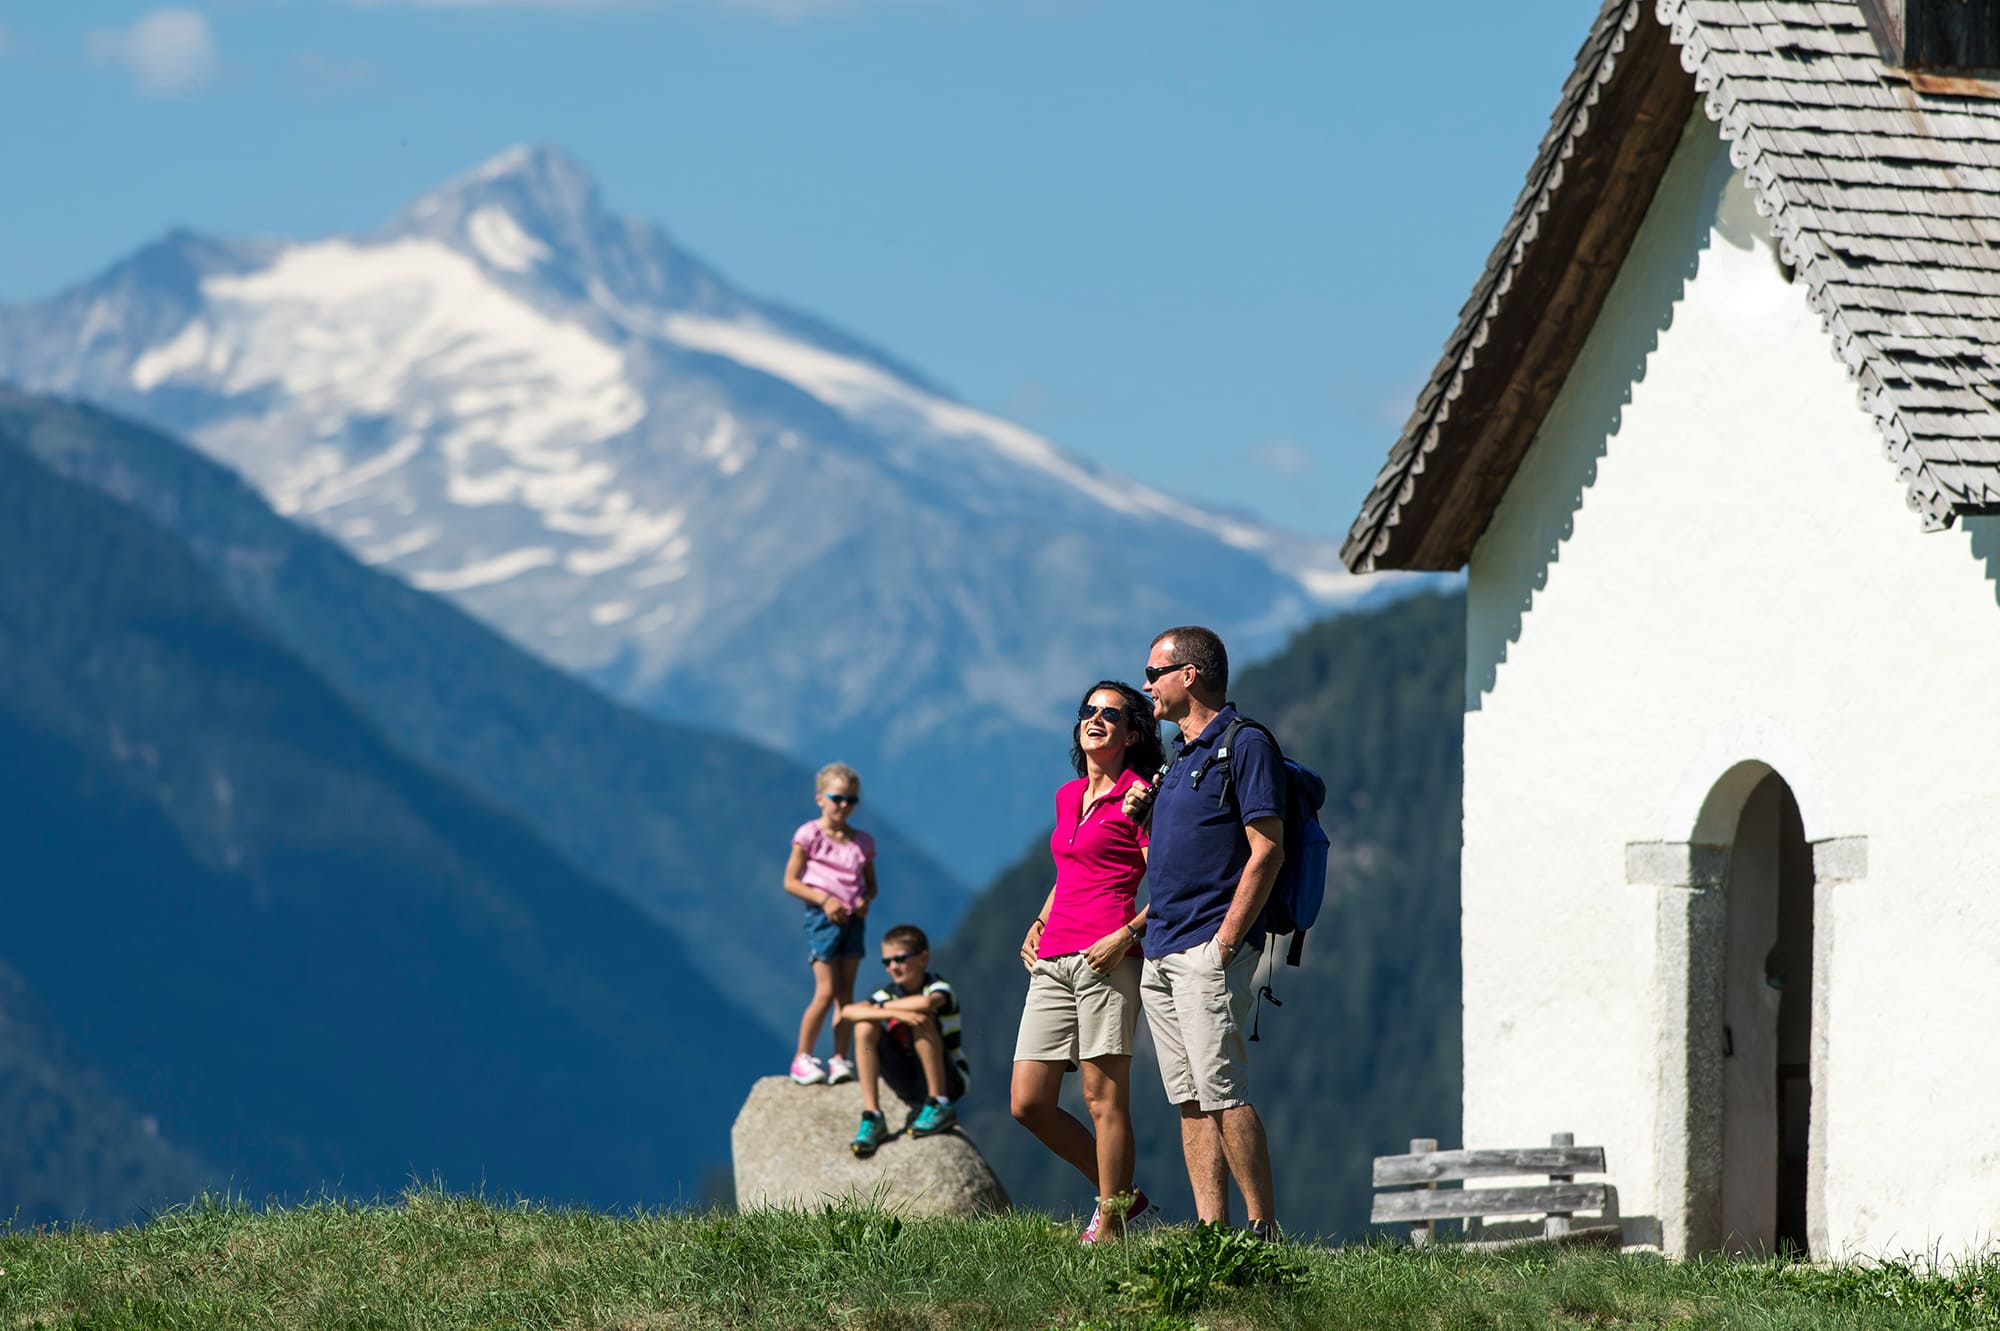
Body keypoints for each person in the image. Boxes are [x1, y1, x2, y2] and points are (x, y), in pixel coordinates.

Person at [1124, 626, 1284, 1239]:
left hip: (1204, 949)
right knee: (1189, 1098)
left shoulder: (1245, 745)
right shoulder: (1181, 756)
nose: (1146, 687)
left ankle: (1261, 1229)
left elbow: (1266, 849)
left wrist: (1223, 944)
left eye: (1153, 673)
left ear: (1188, 675)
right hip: (1162, 950)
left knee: (1224, 1091)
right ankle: (1212, 1233)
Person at [1011, 680, 1165, 1243]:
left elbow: (1170, 885)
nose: (1096, 718)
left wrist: (1124, 935)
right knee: (1028, 1102)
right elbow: (1069, 870)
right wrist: (1039, 919)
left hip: (1107, 957)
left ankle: (1112, 1223)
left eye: (1111, 713)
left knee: (1103, 1098)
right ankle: (1122, 1194)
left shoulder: (1141, 796)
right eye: (1089, 710)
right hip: (1052, 955)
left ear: (1131, 733)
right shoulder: (1067, 794)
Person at [840, 924, 971, 1156]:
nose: (892, 967)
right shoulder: (889, 993)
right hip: (907, 1078)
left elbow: (925, 1004)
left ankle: (939, 1101)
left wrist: (882, 1008)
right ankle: (873, 1115)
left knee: (920, 1018)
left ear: (923, 958)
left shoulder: (938, 986)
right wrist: (895, 1012)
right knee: (863, 1026)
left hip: (950, 1078)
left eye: (900, 959)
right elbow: (849, 1012)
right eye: (886, 962)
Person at [783, 762, 877, 1086]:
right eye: (837, 798)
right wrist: (824, 900)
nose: (843, 806)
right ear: (820, 798)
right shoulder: (809, 835)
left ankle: (839, 1058)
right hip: (822, 919)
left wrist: (865, 901)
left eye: (850, 800)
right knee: (825, 991)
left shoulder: (861, 843)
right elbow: (790, 881)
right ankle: (802, 1057)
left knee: (846, 994)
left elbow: (871, 885)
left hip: (853, 920)